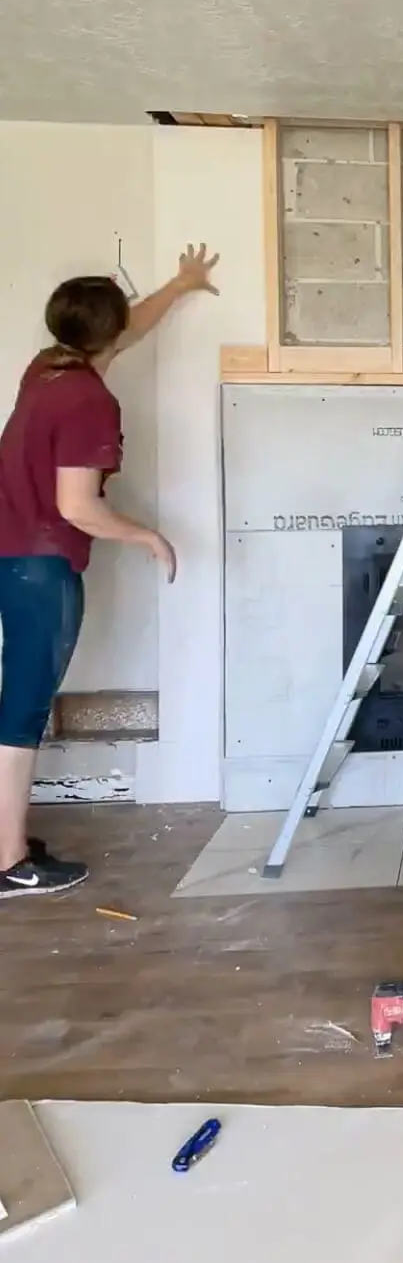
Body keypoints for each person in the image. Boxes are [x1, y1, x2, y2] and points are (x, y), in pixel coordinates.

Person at [0, 244, 219, 897]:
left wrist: (181, 284)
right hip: (40, 563)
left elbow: (128, 326)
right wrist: (147, 535)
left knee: (17, 700)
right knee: (23, 709)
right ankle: (9, 860)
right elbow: (78, 505)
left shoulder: (50, 367)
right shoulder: (89, 401)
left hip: (13, 552)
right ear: (109, 333)